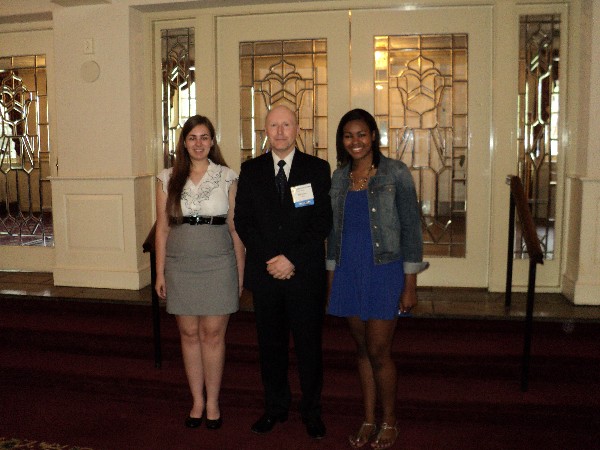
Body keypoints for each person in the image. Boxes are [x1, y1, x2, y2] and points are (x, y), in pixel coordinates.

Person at [326, 109, 428, 449]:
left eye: (361, 134)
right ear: (342, 141)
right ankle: (368, 419)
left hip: (384, 270)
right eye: (348, 136)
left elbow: (412, 229)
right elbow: (332, 233)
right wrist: (331, 277)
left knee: (379, 350)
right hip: (347, 271)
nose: (355, 142)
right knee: (361, 350)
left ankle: (390, 421)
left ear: (373, 136)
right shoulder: (338, 178)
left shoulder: (395, 173)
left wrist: (410, 282)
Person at [234, 105, 333, 440]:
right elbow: (242, 221)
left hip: (304, 274)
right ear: (265, 129)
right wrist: (270, 259)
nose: (279, 131)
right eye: (273, 125)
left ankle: (312, 412)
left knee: (308, 347)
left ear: (297, 128)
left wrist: (290, 258)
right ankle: (275, 408)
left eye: (286, 124)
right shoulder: (251, 170)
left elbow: (322, 221)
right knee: (270, 347)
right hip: (265, 275)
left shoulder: (317, 169)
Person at [154, 114, 245, 431]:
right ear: (184, 143)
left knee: (213, 335)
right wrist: (160, 274)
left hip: (219, 262)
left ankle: (213, 402)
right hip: (180, 263)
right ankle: (196, 401)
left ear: (212, 141)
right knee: (189, 334)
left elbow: (236, 231)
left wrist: (240, 274)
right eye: (192, 137)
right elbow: (163, 230)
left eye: (204, 137)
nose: (198, 143)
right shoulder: (168, 178)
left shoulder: (226, 177)